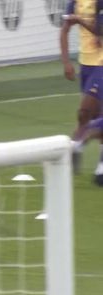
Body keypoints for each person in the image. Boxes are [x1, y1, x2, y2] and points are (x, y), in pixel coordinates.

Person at [60, 0, 103, 181]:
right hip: (85, 64)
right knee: (89, 116)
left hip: (101, 64)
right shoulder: (74, 2)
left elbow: (100, 31)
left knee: (86, 110)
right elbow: (64, 31)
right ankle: (100, 168)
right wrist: (66, 62)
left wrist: (80, 20)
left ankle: (76, 145)